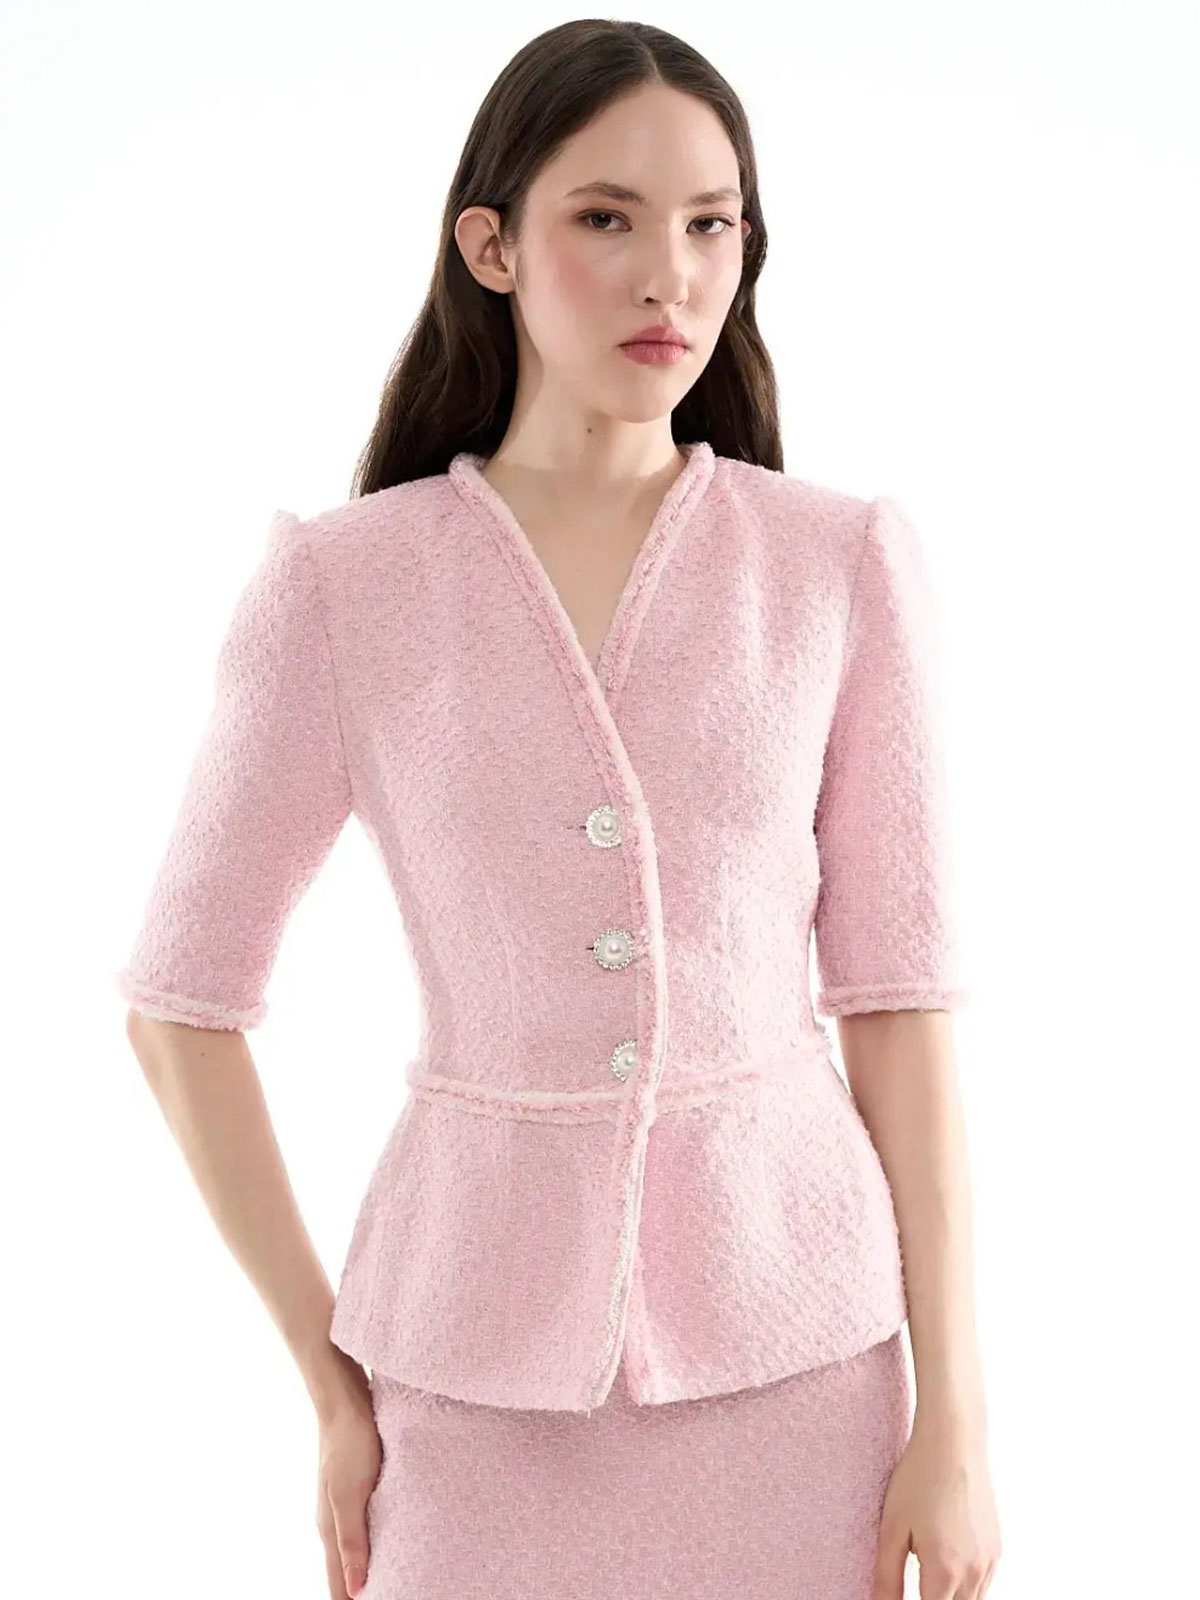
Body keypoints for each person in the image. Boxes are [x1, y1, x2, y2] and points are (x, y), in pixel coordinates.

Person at [116, 18, 1002, 1600]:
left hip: (804, 1370)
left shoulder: (835, 565)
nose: (671, 275)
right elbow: (180, 1006)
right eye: (607, 217)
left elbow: (898, 1006)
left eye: (711, 224)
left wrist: (962, 1420)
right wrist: (330, 1378)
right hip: (468, 1377)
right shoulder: (343, 587)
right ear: (493, 247)